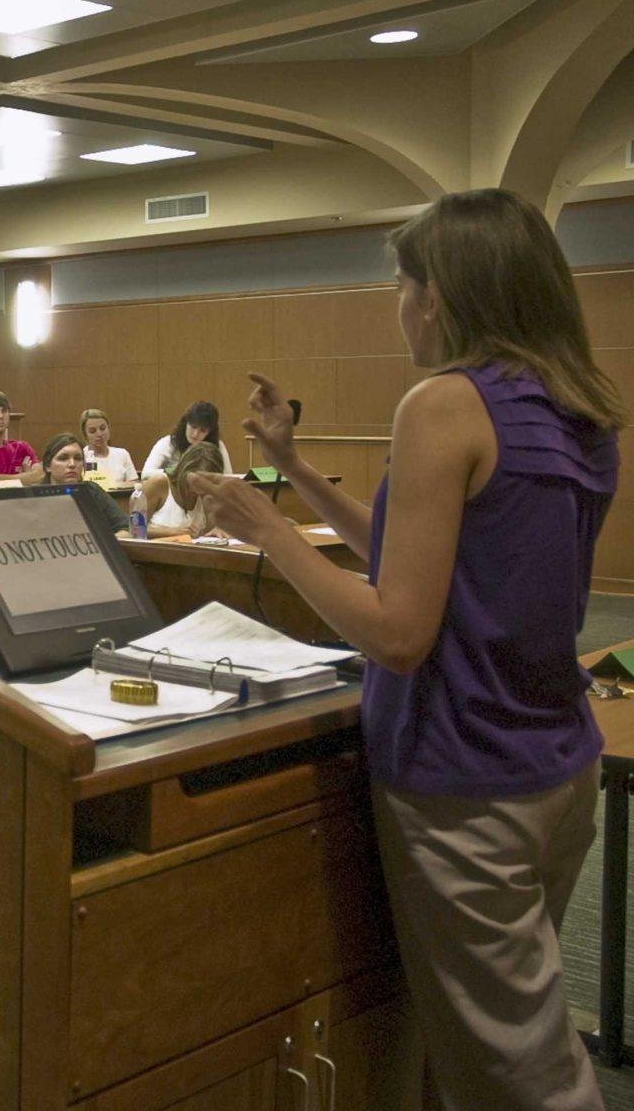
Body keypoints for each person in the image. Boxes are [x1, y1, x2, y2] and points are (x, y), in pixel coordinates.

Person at [191, 189, 621, 1111]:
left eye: (402, 284)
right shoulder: (576, 407)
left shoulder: (442, 405)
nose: (398, 306)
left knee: (525, 1075)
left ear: (441, 295)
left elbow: (396, 630)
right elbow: (428, 557)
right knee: (474, 1043)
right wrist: (294, 468)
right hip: (556, 766)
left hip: (464, 776)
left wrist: (265, 524)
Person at [41, 433, 129, 536]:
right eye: (63, 458)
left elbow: (126, 527)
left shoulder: (92, 491)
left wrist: (105, 543)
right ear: (47, 465)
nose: (72, 464)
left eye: (78, 458)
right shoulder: (33, 496)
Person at [142, 441, 226, 538]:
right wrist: (173, 532)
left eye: (203, 486)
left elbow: (211, 531)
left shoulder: (210, 495)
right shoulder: (159, 483)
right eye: (192, 482)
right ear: (182, 472)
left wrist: (216, 531)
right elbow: (133, 529)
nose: (196, 491)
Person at [141, 401, 233, 477]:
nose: (195, 434)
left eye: (203, 430)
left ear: (209, 432)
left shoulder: (218, 446)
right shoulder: (168, 443)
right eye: (193, 427)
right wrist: (176, 471)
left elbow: (228, 476)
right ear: (185, 423)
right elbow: (146, 473)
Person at [80, 408, 138, 483]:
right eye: (92, 431)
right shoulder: (81, 457)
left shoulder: (122, 454)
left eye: (103, 428)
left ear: (109, 428)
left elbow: (134, 486)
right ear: (85, 435)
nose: (99, 434)